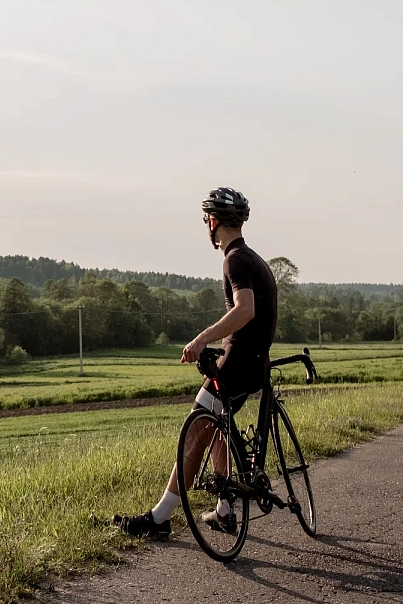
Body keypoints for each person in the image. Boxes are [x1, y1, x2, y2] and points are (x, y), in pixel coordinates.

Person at [113, 186, 279, 539]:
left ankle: (159, 518)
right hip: (254, 363)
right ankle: (224, 508)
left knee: (193, 432)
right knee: (216, 425)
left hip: (239, 364)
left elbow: (245, 310)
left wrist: (203, 338)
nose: (207, 225)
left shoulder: (234, 260)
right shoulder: (255, 258)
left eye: (206, 219)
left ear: (214, 221)